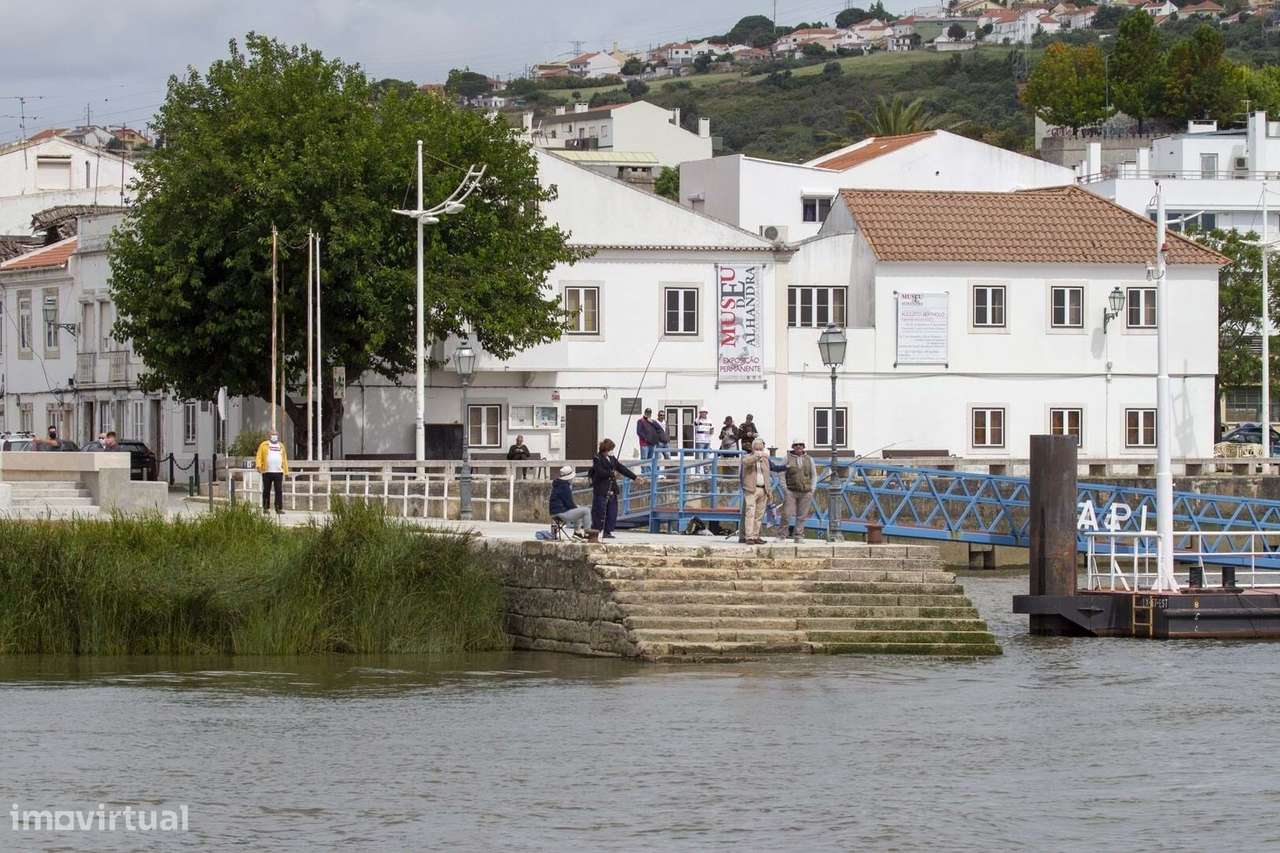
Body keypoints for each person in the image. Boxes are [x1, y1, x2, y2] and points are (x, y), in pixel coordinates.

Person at [589, 438, 637, 539]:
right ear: (606, 449)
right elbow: (599, 472)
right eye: (611, 449)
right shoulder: (597, 458)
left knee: (612, 512)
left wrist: (635, 477)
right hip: (601, 489)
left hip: (612, 489)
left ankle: (607, 531)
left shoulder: (612, 458)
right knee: (599, 512)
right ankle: (595, 532)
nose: (612, 451)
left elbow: (621, 468)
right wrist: (611, 474)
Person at [739, 437, 776, 545]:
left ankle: (755, 536)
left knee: (759, 515)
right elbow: (746, 462)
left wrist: (769, 490)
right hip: (751, 489)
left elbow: (767, 475)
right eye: (757, 447)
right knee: (750, 512)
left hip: (763, 489)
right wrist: (756, 456)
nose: (759, 450)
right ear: (753, 448)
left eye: (761, 447)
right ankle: (748, 537)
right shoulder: (747, 457)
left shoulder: (765, 459)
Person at [782, 438, 817, 543]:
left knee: (802, 515)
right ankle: (782, 535)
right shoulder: (787, 458)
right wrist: (785, 489)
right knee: (786, 514)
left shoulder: (809, 459)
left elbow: (814, 475)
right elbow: (781, 474)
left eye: (800, 445)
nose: (798, 447)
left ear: (803, 446)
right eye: (796, 445)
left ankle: (799, 536)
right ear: (793, 447)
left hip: (806, 492)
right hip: (791, 491)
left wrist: (812, 489)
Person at [549, 465, 591, 538]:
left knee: (578, 508)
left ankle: (577, 532)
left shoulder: (558, 484)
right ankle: (587, 533)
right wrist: (577, 508)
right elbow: (569, 504)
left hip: (554, 512)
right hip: (561, 513)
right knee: (586, 510)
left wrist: (576, 508)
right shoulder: (564, 487)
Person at [255, 431, 289, 515]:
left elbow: (284, 459)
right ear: (269, 435)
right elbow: (259, 456)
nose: (274, 436)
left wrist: (286, 471)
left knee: (279, 490)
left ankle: (278, 508)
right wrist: (258, 466)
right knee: (266, 490)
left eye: (276, 434)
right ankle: (266, 508)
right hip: (267, 471)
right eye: (272, 434)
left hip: (278, 471)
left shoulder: (281, 446)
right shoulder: (264, 445)